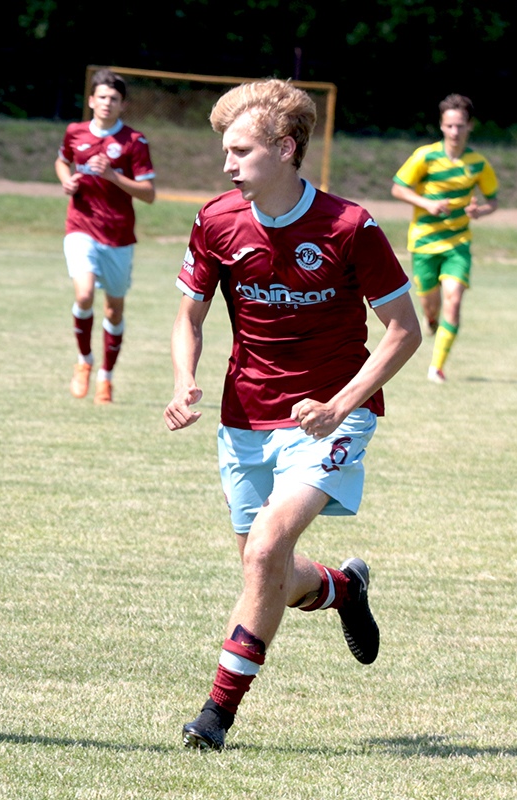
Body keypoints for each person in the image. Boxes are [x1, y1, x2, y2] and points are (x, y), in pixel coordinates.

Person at [164, 79, 422, 750]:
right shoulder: (216, 220)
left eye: (240, 151)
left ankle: (216, 715)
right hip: (244, 416)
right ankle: (342, 588)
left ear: (284, 149)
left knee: (266, 551)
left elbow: (403, 330)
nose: (227, 164)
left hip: (332, 417)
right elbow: (189, 317)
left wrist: (340, 405)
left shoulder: (350, 227)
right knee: (265, 567)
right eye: (225, 150)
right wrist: (184, 380)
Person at [54, 69, 156, 404]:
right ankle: (84, 360)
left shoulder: (134, 142)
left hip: (118, 235)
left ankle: (106, 377)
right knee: (84, 295)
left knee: (114, 311)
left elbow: (149, 194)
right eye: (102, 97)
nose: (107, 103)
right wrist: (66, 180)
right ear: (91, 100)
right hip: (80, 226)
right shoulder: (75, 132)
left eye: (114, 98)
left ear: (122, 104)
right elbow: (62, 161)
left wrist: (113, 176)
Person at [391, 94, 498, 384]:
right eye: (449, 125)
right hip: (424, 242)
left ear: (470, 126)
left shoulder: (478, 163)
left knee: (454, 301)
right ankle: (431, 320)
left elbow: (493, 201)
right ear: (441, 125)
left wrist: (480, 211)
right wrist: (426, 203)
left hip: (458, 244)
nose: (454, 132)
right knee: (431, 305)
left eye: (460, 126)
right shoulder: (425, 157)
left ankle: (436, 367)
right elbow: (398, 188)